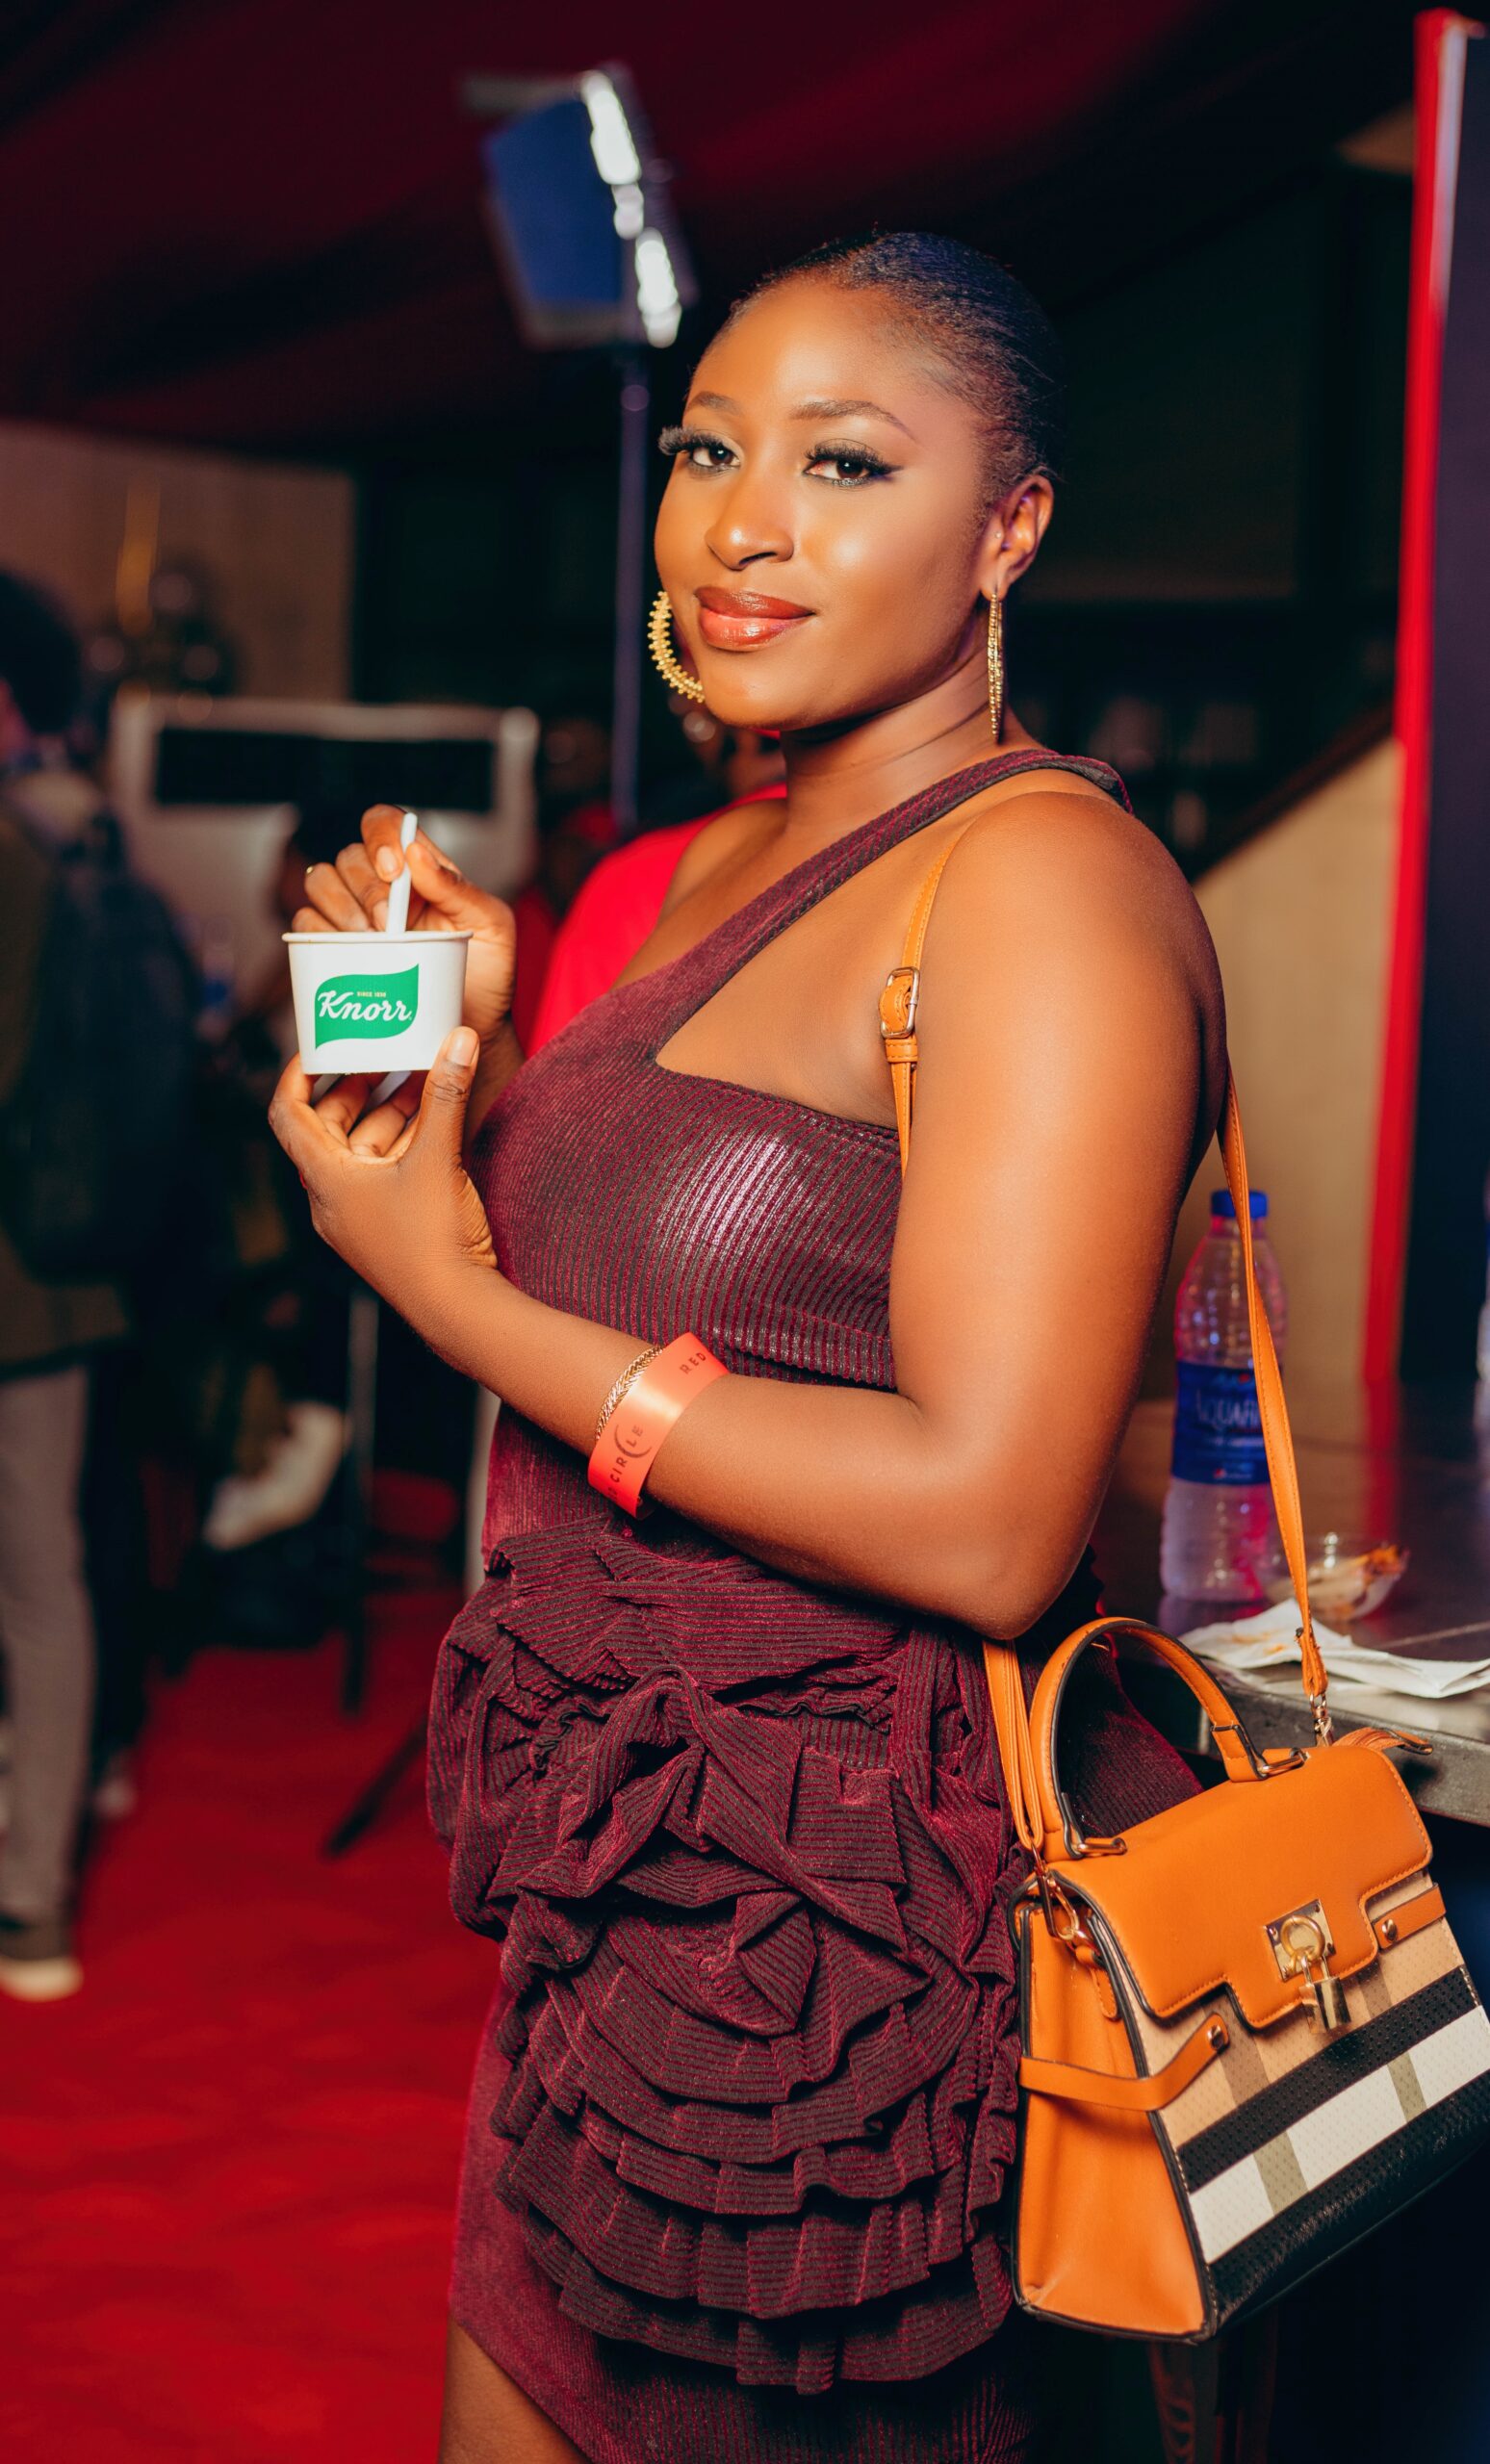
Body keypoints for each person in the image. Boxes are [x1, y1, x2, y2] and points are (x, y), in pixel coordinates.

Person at [270, 234, 1225, 2462]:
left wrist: (446, 1291)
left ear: (1011, 526)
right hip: (617, 1878)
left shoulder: (1038, 885)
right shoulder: (693, 867)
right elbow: (670, 1281)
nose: (743, 522)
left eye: (846, 461)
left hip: (856, 1948)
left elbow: (990, 1521)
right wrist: (475, 1061)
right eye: (709, 452)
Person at [0, 577, 129, 2000]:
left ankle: (33, 1895)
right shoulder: (53, 840)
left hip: (29, 1281)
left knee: (39, 1585)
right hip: (47, 1277)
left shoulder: (22, 851)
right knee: (43, 1579)